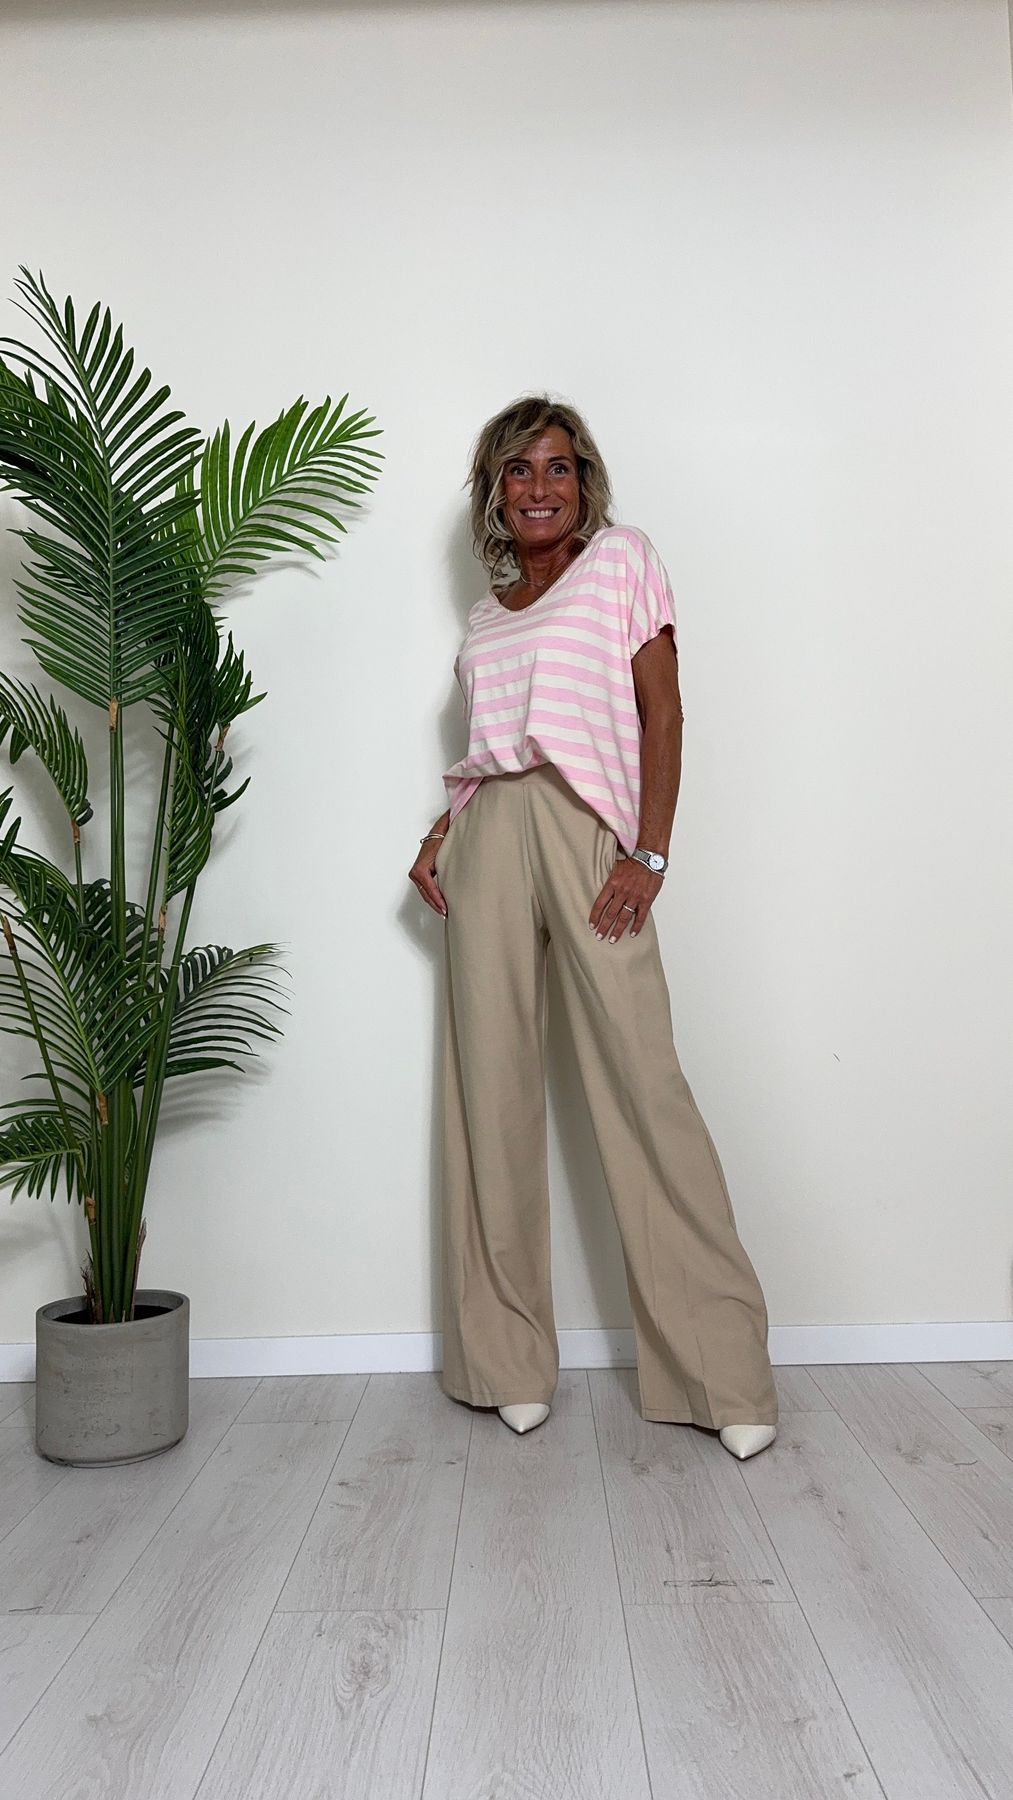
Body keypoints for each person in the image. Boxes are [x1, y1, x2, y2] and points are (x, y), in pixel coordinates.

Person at [408, 395, 778, 1460]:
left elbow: (662, 712)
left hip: (589, 835)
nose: (539, 487)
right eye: (517, 471)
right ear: (493, 492)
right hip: (485, 837)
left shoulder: (621, 562)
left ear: (584, 483)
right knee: (489, 1093)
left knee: (641, 1085)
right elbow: (495, 750)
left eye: (557, 468)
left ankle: (720, 1372)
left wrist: (646, 855)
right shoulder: (486, 616)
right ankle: (504, 1361)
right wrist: (439, 834)